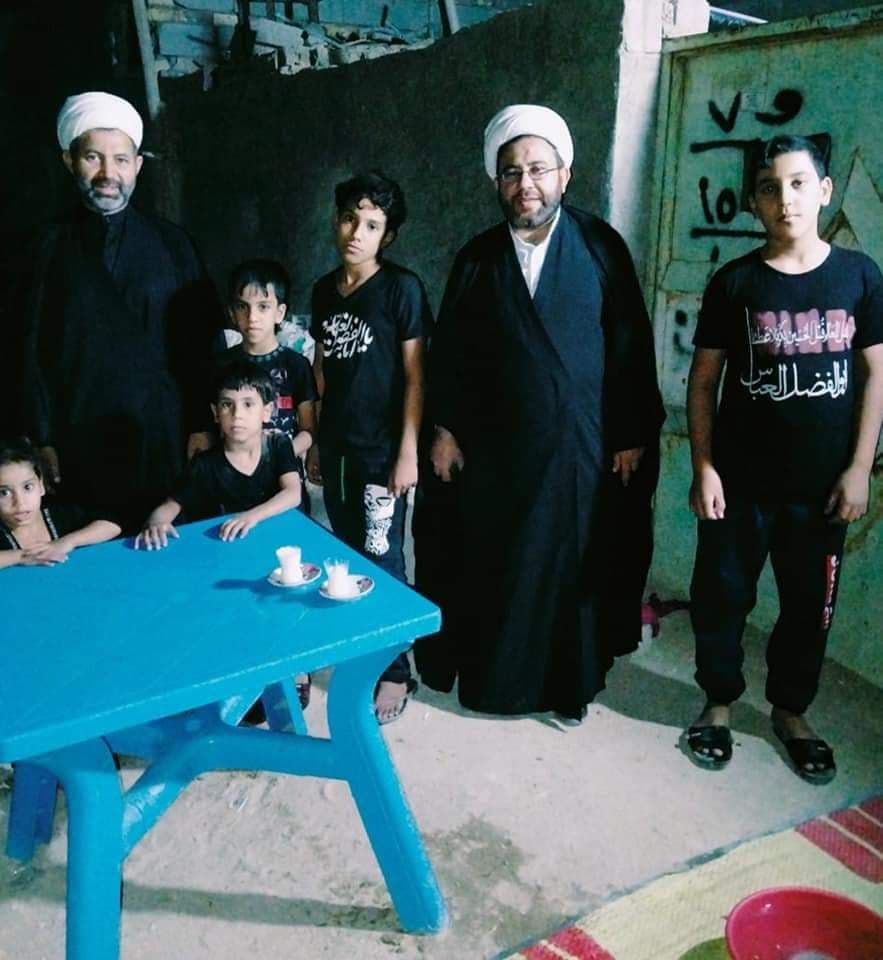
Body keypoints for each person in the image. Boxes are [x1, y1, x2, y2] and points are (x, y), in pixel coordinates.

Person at [417, 104, 665, 723]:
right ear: (496, 181)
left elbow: (631, 346)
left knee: (573, 567)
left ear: (564, 175)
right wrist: (444, 430)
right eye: (511, 172)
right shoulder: (477, 259)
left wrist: (631, 433)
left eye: (537, 169)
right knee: (501, 565)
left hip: (581, 449)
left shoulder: (600, 247)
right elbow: (450, 356)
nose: (525, 184)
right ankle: (498, 683)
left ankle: (567, 687)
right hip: (497, 455)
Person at [685, 134, 883, 783]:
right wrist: (704, 468)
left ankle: (791, 712)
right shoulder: (735, 283)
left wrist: (859, 469)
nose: (785, 199)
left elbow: (876, 376)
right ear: (753, 202)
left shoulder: (858, 277)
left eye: (798, 184)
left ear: (823, 191)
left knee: (808, 610)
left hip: (821, 492)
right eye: (770, 188)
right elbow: (703, 382)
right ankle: (717, 703)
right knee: (721, 600)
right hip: (738, 487)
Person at [22, 91, 222, 533]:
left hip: (164, 437)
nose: (108, 174)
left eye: (121, 159)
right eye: (93, 157)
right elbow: (28, 351)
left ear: (138, 166)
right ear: (68, 161)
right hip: (77, 442)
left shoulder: (173, 244)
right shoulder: (46, 248)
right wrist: (42, 438)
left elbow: (203, 345)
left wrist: (202, 425)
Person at [307, 171, 431, 724]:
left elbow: (416, 376)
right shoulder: (322, 290)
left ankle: (396, 669)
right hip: (336, 450)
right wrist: (315, 437)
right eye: (349, 219)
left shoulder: (402, 289)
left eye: (372, 225)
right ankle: (362, 647)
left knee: (382, 555)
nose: (357, 233)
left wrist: (408, 451)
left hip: (382, 454)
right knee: (348, 551)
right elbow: (320, 369)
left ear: (388, 235)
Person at [135, 363, 302, 549]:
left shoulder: (278, 445)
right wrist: (156, 522)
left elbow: (293, 494)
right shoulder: (204, 464)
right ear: (216, 413)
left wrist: (250, 517)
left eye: (248, 404)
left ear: (266, 412)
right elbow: (171, 505)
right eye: (227, 404)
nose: (237, 414)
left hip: (277, 543)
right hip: (227, 549)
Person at [220, 259, 318, 498]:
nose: (252, 317)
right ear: (232, 312)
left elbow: (308, 429)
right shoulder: (221, 365)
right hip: (233, 481)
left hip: (285, 481)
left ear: (279, 312)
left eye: (263, 307)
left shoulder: (296, 365)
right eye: (243, 307)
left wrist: (278, 457)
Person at [0, 437, 121, 569]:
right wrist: (21, 556)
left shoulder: (60, 515)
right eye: (4, 493)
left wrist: (68, 541)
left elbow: (112, 526)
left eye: (27, 487)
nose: (20, 503)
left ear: (41, 485)